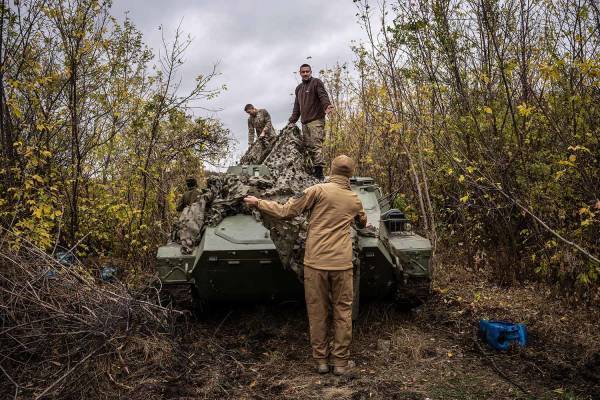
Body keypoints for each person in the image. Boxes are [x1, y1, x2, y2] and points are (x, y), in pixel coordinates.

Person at [243, 155, 367, 375]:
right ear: (350, 173)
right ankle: (340, 363)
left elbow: (285, 212)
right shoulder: (354, 199)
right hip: (341, 264)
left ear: (332, 169)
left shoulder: (317, 191)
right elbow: (362, 222)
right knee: (343, 312)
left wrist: (258, 202)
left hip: (316, 262)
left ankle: (320, 361)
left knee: (317, 312)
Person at [287, 64, 334, 180]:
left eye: (307, 71)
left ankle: (319, 173)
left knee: (316, 146)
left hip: (316, 120)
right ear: (300, 73)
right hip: (304, 123)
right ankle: (312, 171)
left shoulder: (316, 83)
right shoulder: (298, 88)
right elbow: (297, 107)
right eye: (303, 72)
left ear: (311, 72)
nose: (305, 74)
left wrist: (327, 106)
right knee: (307, 147)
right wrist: (292, 121)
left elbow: (323, 95)